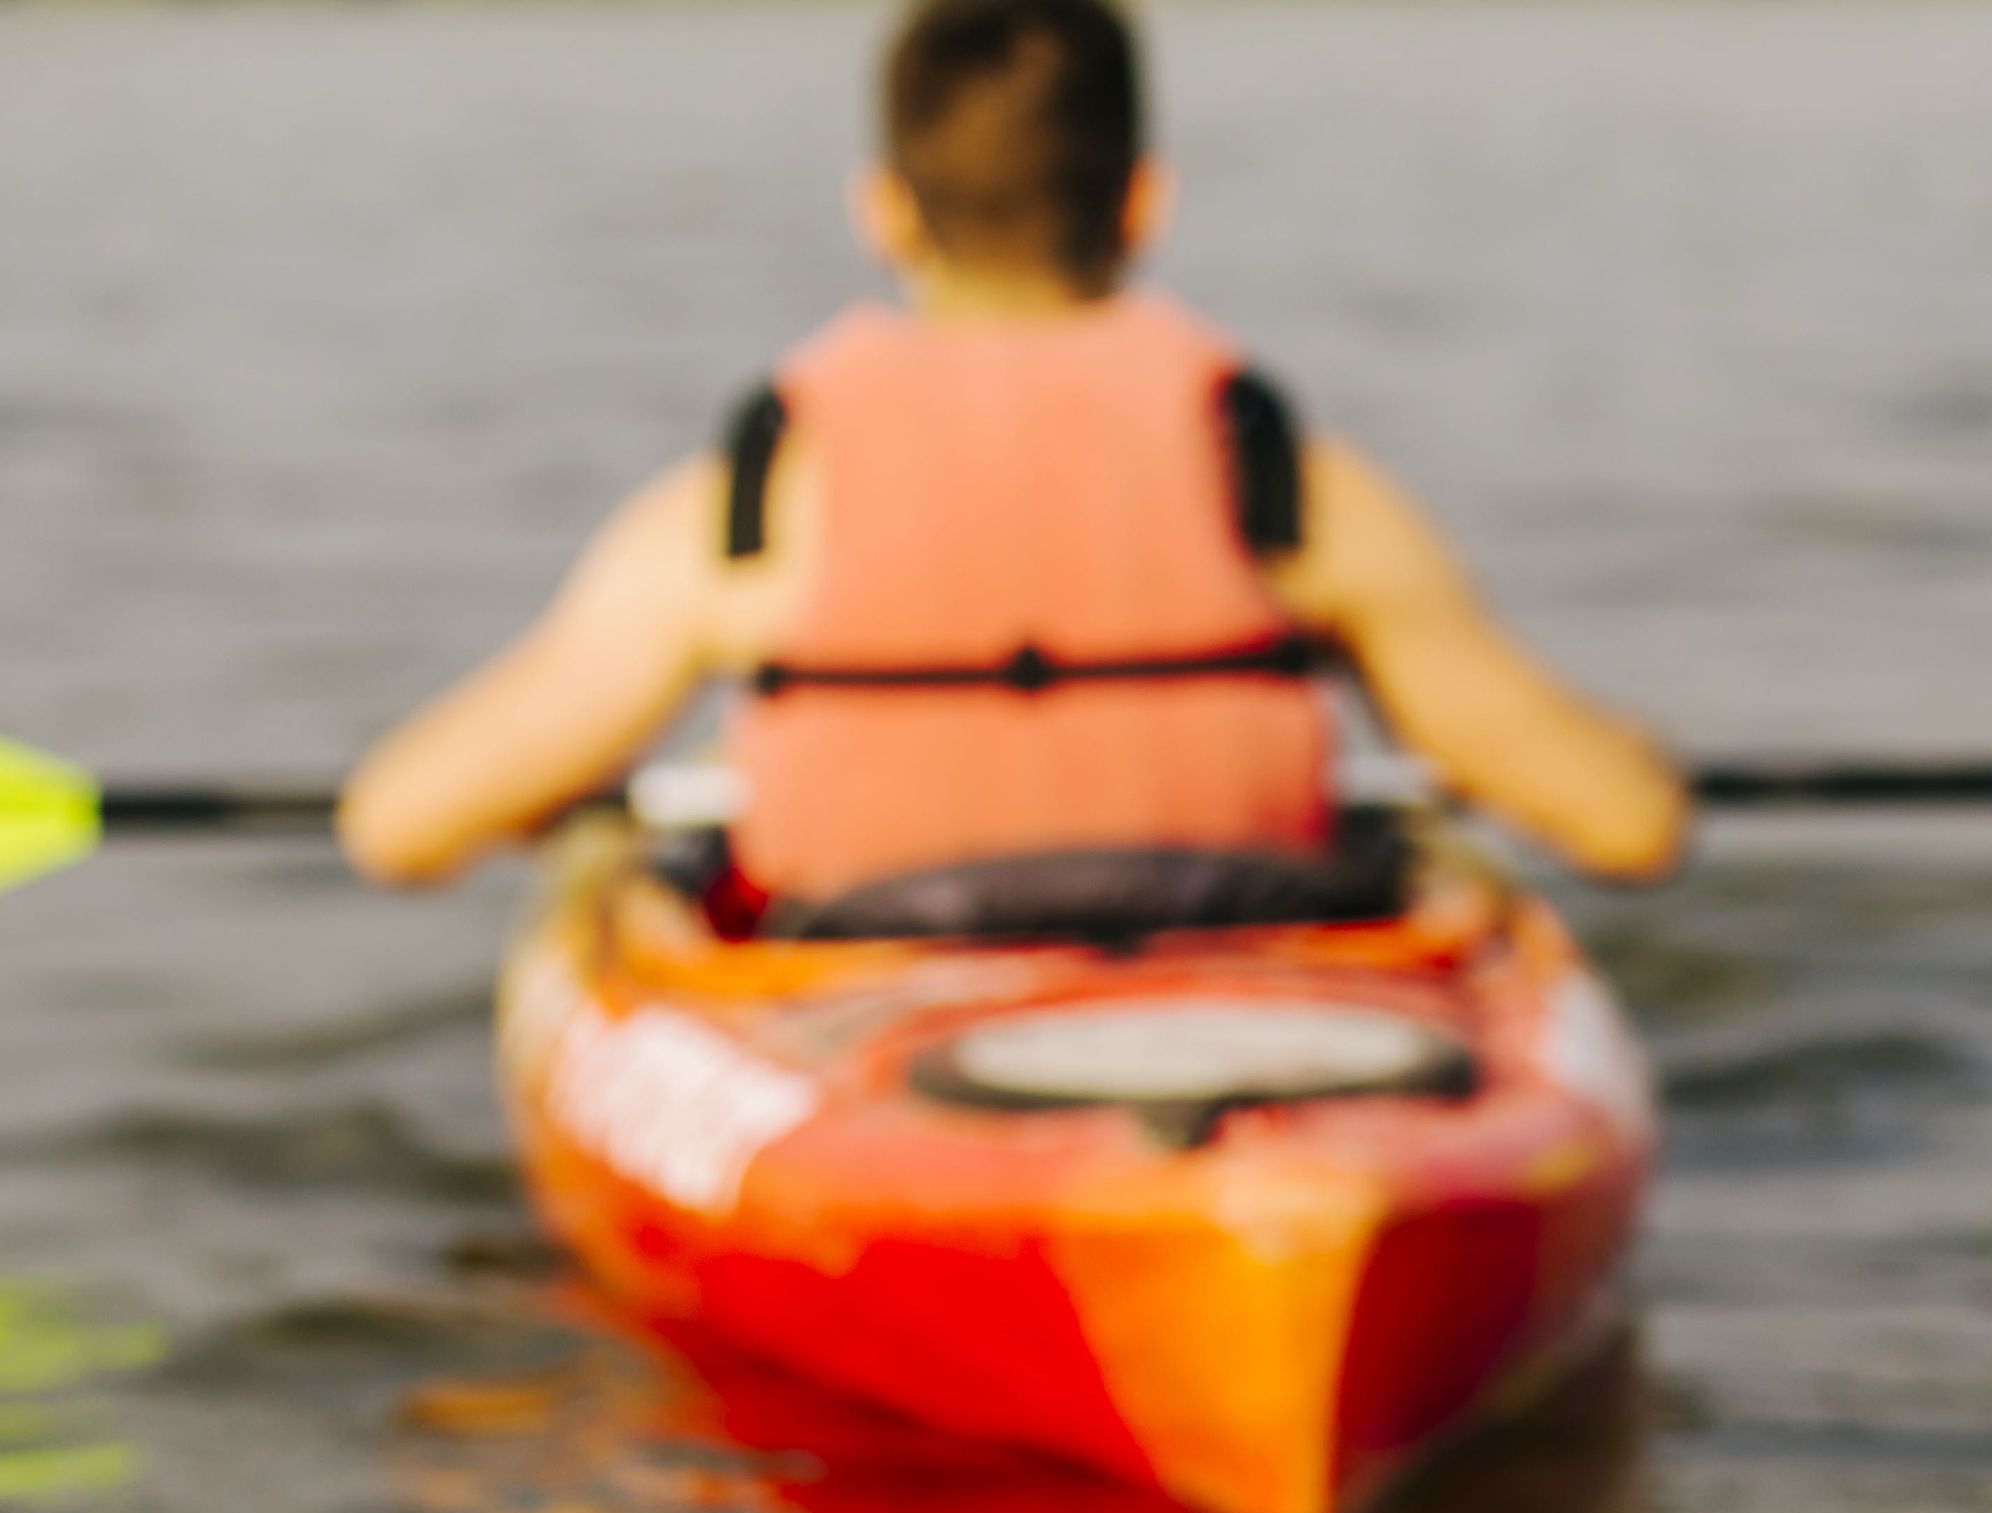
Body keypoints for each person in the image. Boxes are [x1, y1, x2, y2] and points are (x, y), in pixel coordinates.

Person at [338, 0, 1687, 914]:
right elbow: (1627, 826)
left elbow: (397, 826)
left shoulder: (754, 506)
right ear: (1144, 200)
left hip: (864, 979)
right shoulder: (1287, 490)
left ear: (884, 212)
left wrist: (569, 806)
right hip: (1237, 996)